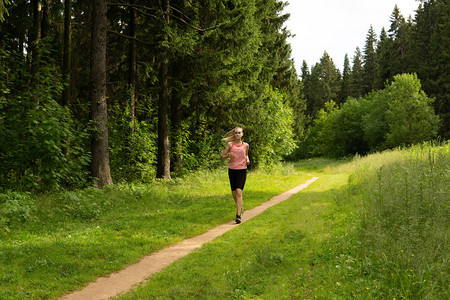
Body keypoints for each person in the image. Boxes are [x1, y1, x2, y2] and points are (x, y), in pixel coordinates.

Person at [221, 127, 250, 224]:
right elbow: (222, 157)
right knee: (234, 193)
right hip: (232, 170)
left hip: (242, 170)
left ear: (242, 134)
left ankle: (238, 215)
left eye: (239, 133)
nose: (237, 134)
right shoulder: (230, 145)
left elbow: (246, 155)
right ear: (234, 135)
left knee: (239, 192)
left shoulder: (246, 145)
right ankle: (240, 206)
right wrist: (227, 156)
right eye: (236, 133)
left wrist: (247, 160)